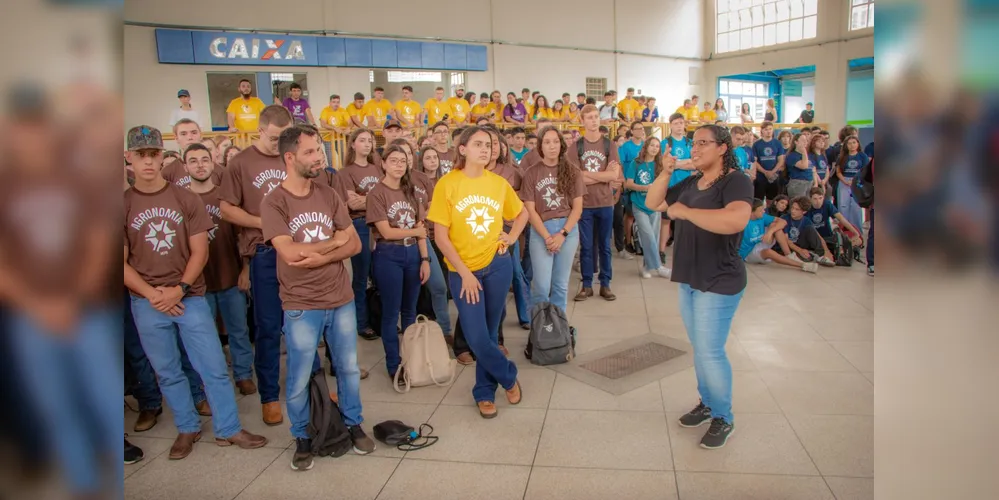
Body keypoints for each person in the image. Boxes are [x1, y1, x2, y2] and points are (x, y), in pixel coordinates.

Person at [124, 125, 268, 459]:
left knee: (213, 366)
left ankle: (228, 428)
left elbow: (200, 252)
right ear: (129, 158)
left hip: (189, 296)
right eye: (140, 155)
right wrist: (154, 295)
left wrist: (179, 289)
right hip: (146, 302)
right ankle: (187, 427)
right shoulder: (122, 204)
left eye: (154, 154)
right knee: (168, 370)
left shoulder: (185, 198)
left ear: (163, 156)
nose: (147, 161)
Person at [260, 124, 374, 471]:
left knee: (349, 369)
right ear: (290, 157)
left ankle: (353, 423)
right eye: (310, 152)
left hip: (339, 298)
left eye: (320, 150)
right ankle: (302, 436)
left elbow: (353, 243)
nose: (318, 157)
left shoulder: (327, 192)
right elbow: (290, 253)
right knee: (297, 377)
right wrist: (334, 242)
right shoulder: (274, 202)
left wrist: (323, 255)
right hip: (300, 304)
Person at [644, 124, 753, 450]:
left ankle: (723, 416)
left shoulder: (736, 180)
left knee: (710, 351)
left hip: (719, 280)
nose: (695, 149)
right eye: (693, 144)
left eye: (703, 143)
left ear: (722, 147)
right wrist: (665, 172)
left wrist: (687, 213)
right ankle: (708, 403)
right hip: (690, 277)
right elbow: (654, 202)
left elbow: (735, 220)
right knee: (702, 349)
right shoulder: (693, 181)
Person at [427, 126, 528, 419]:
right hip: (463, 272)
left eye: (490, 145)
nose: (486, 149)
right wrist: (465, 273)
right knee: (476, 338)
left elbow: (520, 214)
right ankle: (509, 376)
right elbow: (441, 237)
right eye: (479, 144)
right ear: (462, 149)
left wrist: (510, 238)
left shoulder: (498, 183)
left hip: (497, 266)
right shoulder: (448, 184)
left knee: (489, 333)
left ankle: (484, 392)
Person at [219, 105, 293, 426]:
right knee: (268, 327)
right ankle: (269, 396)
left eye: (285, 137)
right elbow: (226, 209)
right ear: (260, 130)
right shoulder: (241, 163)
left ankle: (310, 386)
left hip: (297, 249)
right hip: (264, 253)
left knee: (305, 323)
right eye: (276, 138)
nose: (280, 144)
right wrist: (264, 222)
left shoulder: (291, 156)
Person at [183, 143, 256, 396]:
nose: (200, 165)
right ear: (185, 166)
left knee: (239, 330)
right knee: (205, 338)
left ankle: (243, 374)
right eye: (193, 161)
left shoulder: (225, 198)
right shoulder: (181, 200)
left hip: (230, 277)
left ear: (213, 162)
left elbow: (241, 237)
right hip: (198, 283)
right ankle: (213, 380)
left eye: (204, 159)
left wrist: (245, 269)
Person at [364, 143, 432, 383]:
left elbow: (421, 231)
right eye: (393, 160)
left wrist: (425, 259)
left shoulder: (411, 192)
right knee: (391, 313)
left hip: (413, 254)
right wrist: (414, 231)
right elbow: (386, 231)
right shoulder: (377, 193)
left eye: (402, 161)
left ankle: (410, 360)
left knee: (410, 312)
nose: (398, 165)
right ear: (383, 163)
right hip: (388, 255)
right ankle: (394, 364)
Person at [520, 125, 585, 314]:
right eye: (547, 142)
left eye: (556, 141)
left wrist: (562, 234)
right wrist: (548, 237)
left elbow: (578, 208)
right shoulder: (532, 172)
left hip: (567, 230)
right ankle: (539, 331)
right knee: (540, 286)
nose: (552, 146)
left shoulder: (572, 171)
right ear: (540, 146)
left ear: (562, 144)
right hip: (541, 231)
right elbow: (530, 209)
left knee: (560, 285)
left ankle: (558, 330)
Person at [332, 128, 383, 341]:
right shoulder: (345, 173)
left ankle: (379, 319)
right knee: (361, 277)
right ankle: (361, 322)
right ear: (353, 144)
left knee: (380, 277)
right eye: (362, 140)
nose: (367, 144)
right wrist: (376, 198)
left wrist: (366, 198)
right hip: (360, 224)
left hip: (380, 225)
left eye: (370, 140)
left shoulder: (379, 168)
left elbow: (388, 197)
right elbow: (352, 203)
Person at [572, 104, 622, 302]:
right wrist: (603, 176)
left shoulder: (610, 145)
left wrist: (588, 174)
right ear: (582, 121)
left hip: (605, 203)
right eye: (590, 117)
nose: (594, 120)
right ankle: (586, 285)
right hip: (584, 204)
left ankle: (605, 284)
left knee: (605, 246)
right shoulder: (576, 147)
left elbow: (614, 174)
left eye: (596, 117)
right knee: (586, 247)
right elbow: (576, 178)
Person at [625, 137, 672, 278]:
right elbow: (628, 184)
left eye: (657, 146)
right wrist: (646, 187)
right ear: (646, 146)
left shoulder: (659, 165)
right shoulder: (636, 163)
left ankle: (646, 266)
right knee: (648, 235)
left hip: (655, 206)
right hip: (639, 205)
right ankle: (658, 266)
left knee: (653, 237)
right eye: (652, 145)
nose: (654, 148)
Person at [741, 198, 819, 273]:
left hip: (762, 240)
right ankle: (803, 265)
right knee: (768, 252)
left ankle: (789, 255)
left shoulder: (762, 216)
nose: (764, 211)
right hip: (749, 252)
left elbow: (783, 222)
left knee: (775, 226)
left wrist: (770, 232)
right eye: (761, 210)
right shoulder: (742, 223)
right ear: (751, 212)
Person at [779, 196, 836, 265]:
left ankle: (821, 255)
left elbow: (818, 237)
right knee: (806, 258)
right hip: (788, 247)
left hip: (800, 244)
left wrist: (827, 251)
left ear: (804, 211)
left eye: (797, 209)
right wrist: (800, 250)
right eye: (792, 208)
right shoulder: (784, 218)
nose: (793, 211)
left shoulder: (806, 220)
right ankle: (807, 255)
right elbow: (787, 241)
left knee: (810, 229)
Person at [835, 136, 869, 232]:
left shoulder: (863, 156)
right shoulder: (841, 157)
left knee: (856, 208)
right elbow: (838, 172)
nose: (852, 145)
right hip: (844, 182)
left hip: (858, 182)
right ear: (846, 145)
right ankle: (844, 232)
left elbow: (866, 171)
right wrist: (845, 181)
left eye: (854, 142)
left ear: (858, 144)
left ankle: (857, 232)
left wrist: (856, 181)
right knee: (843, 207)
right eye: (849, 143)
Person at [751, 121, 786, 203]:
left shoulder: (777, 143)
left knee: (772, 201)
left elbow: (781, 160)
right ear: (762, 131)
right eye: (766, 129)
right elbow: (754, 161)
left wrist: (772, 172)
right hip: (761, 177)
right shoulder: (756, 144)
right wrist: (765, 172)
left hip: (774, 176)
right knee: (758, 201)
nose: (768, 131)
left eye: (770, 129)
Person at [785, 133, 817, 198]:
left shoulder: (809, 155)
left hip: (809, 183)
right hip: (798, 184)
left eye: (806, 140)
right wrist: (804, 152)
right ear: (796, 142)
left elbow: (813, 170)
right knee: (799, 205)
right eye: (803, 140)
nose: (805, 142)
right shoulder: (792, 155)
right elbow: (804, 166)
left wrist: (815, 183)